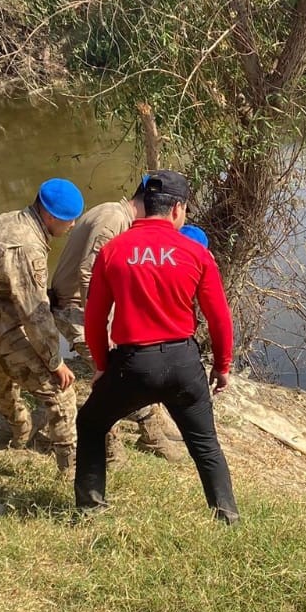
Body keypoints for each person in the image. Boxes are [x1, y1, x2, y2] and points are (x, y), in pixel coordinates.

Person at [74, 170, 239, 522]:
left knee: (91, 423)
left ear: (145, 205)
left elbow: (94, 317)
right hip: (183, 363)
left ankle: (91, 511)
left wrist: (102, 365)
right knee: (205, 444)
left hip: (132, 365)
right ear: (178, 208)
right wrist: (222, 367)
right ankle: (227, 517)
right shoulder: (196, 253)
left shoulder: (113, 251)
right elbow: (220, 318)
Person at [47, 183, 181, 460]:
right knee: (114, 370)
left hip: (85, 306)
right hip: (74, 309)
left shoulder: (116, 215)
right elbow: (88, 274)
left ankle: (152, 427)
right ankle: (117, 444)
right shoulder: (113, 219)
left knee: (133, 359)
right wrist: (102, 329)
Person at [0, 179, 83, 473]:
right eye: (69, 220)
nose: (73, 225)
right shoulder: (27, 247)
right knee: (61, 393)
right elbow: (36, 315)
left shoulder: (7, 220)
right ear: (50, 215)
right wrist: (55, 362)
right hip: (2, 331)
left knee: (3, 384)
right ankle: (70, 469)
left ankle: (20, 434)